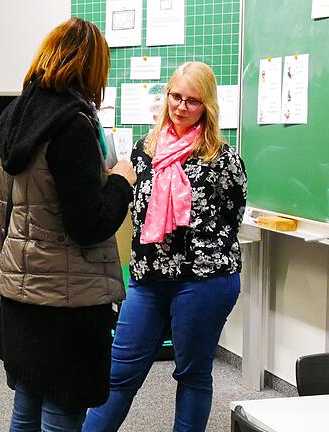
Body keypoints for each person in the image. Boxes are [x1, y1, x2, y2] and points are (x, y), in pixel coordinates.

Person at [82, 62, 248, 432]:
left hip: (204, 280)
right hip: (147, 279)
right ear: (167, 96)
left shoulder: (222, 158)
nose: (182, 106)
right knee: (119, 373)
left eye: (193, 100)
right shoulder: (145, 151)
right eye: (176, 96)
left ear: (207, 106)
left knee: (192, 373)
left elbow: (233, 214)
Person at [0, 18, 137, 432]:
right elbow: (88, 224)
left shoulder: (14, 117)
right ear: (91, 69)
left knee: (27, 408)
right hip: (68, 298)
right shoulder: (71, 125)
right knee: (61, 414)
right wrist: (122, 182)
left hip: (24, 288)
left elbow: (3, 211)